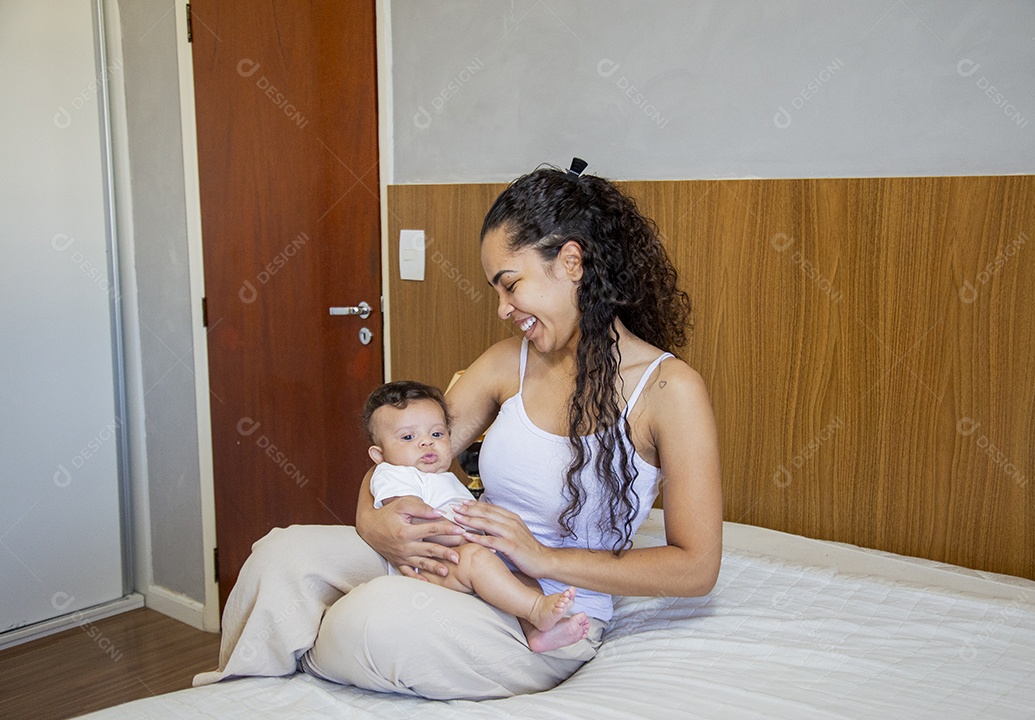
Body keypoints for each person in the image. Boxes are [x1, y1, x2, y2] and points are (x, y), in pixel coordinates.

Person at [193, 161, 723, 700]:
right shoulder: (504, 365)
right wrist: (371, 521)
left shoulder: (668, 390)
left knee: (376, 620)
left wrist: (542, 559)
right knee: (278, 559)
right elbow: (405, 447)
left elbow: (696, 567)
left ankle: (301, 648)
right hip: (459, 560)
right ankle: (235, 703)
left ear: (571, 263)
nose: (502, 308)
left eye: (510, 285)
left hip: (545, 614)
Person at [363, 379, 591, 652]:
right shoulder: (393, 474)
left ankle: (538, 632)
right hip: (429, 566)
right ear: (379, 454)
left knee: (520, 574)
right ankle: (535, 609)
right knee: (479, 560)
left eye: (437, 434)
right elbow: (411, 520)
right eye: (408, 437)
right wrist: (464, 536)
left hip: (463, 556)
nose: (426, 443)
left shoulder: (443, 478)